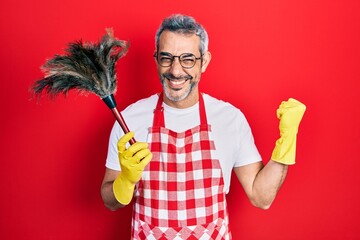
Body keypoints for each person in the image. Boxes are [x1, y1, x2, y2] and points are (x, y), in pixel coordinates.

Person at [100, 14, 306, 239]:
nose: (176, 71)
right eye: (167, 58)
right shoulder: (130, 119)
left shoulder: (229, 119)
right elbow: (109, 201)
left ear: (204, 61)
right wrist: (125, 181)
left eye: (188, 59)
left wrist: (288, 139)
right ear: (156, 59)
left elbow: (261, 197)